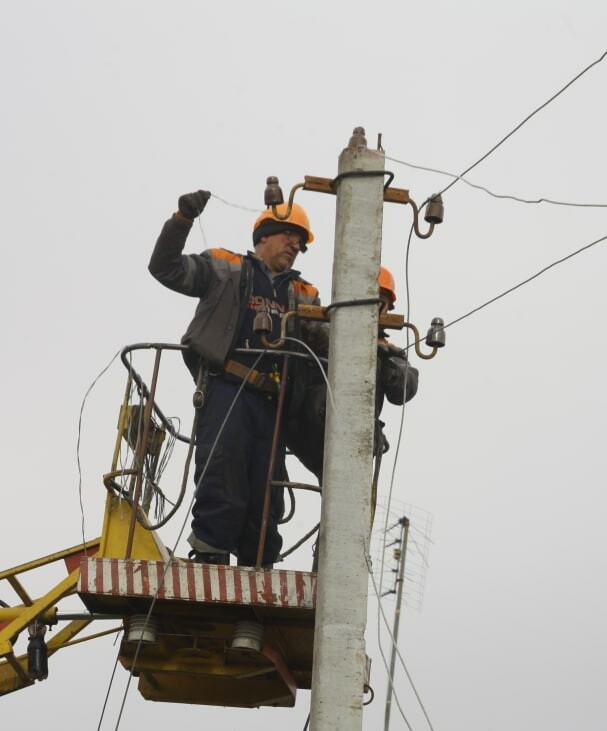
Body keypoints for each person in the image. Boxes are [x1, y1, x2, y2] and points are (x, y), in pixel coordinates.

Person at [147, 189, 325, 568]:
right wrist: (182, 219)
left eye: (300, 242)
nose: (295, 245)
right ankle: (210, 556)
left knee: (266, 492)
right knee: (222, 474)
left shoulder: (303, 294)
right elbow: (166, 268)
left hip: (274, 402)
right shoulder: (225, 267)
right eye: (289, 235)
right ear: (264, 236)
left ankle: (257, 566)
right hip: (228, 388)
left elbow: (331, 343)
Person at [285, 266, 419, 482]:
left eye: (380, 302)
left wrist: (385, 367)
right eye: (369, 300)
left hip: (355, 434)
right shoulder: (327, 331)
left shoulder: (389, 353)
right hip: (309, 424)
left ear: (388, 308)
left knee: (342, 494)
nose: (373, 308)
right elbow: (315, 336)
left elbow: (406, 388)